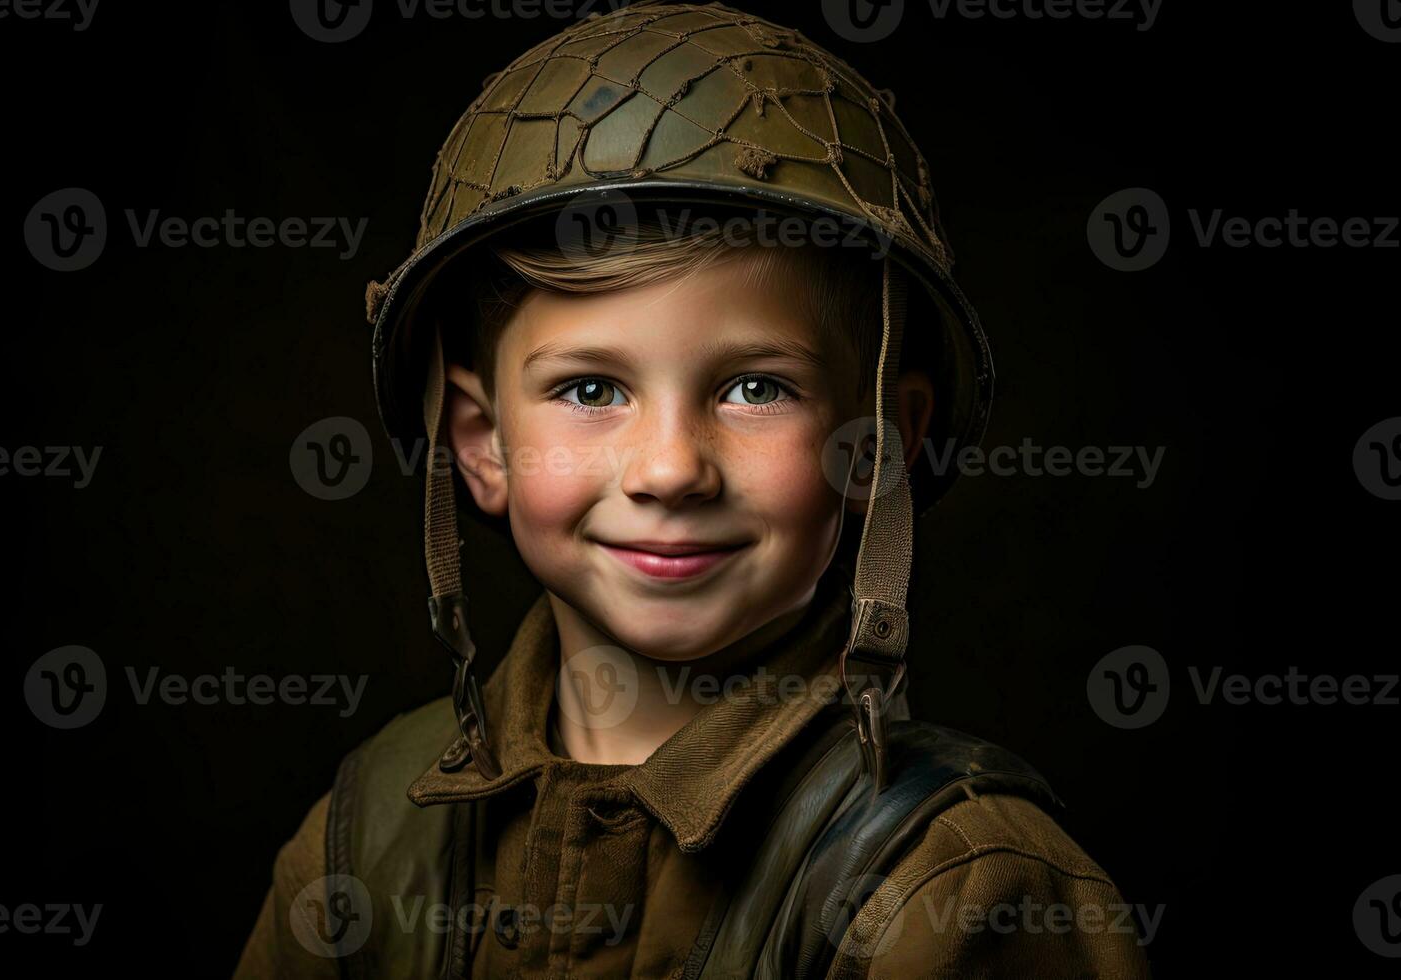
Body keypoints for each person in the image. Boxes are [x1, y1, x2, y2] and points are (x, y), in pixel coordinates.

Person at [235, 3, 1153, 976]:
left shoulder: (950, 885)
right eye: (590, 389)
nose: (671, 469)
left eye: (757, 388)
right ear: (481, 444)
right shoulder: (367, 834)